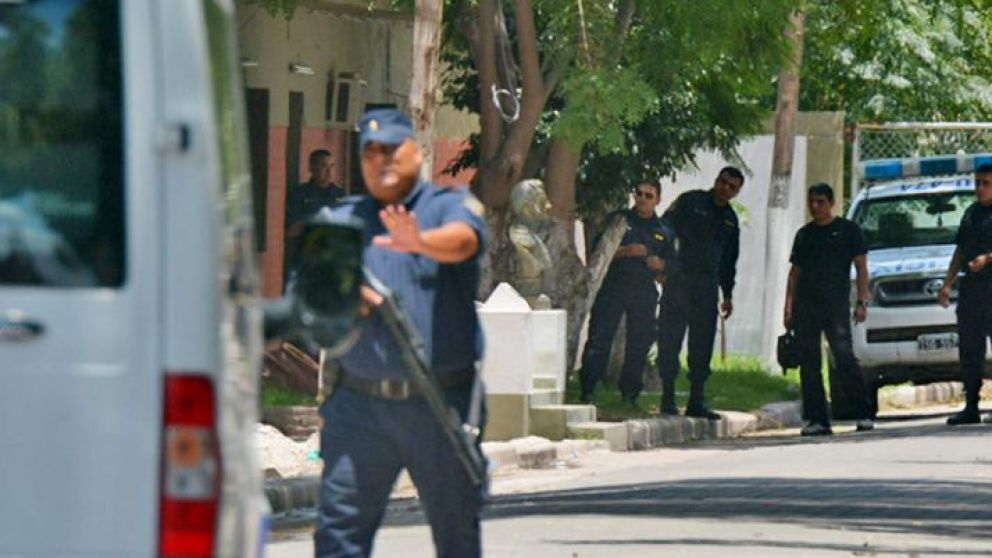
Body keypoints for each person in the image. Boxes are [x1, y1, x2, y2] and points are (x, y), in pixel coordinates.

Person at [313, 109, 488, 557]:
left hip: (438, 402)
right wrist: (340, 298)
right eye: (371, 152)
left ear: (418, 152)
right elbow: (306, 297)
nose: (382, 159)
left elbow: (466, 239)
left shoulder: (445, 205)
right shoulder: (339, 220)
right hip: (359, 407)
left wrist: (421, 242)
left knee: (456, 539)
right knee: (338, 539)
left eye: (392, 149)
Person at [784, 183, 874, 436]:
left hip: (835, 306)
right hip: (806, 307)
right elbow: (795, 273)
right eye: (811, 201)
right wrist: (788, 305)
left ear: (831, 203)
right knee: (810, 363)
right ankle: (818, 419)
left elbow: (861, 268)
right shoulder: (804, 235)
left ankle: (863, 412)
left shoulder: (848, 231)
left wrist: (862, 302)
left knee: (844, 357)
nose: (815, 206)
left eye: (820, 201)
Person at [656, 167, 743, 419]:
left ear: (736, 192)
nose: (726, 189)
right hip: (679, 279)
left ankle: (696, 399)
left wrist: (727, 294)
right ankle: (668, 397)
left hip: (707, 285)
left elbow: (729, 259)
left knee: (702, 342)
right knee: (670, 337)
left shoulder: (730, 219)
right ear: (716, 181)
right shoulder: (690, 201)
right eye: (724, 182)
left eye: (732, 187)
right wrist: (664, 265)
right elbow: (665, 228)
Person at [579, 180, 668, 406]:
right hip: (614, 286)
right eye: (639, 194)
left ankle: (630, 393)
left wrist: (661, 265)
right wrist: (627, 251)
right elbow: (600, 252)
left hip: (643, 290)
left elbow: (672, 264)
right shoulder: (619, 221)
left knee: (639, 342)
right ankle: (588, 389)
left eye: (649, 196)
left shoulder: (662, 229)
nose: (642, 199)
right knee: (600, 338)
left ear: (657, 200)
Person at [938, 162, 992, 425]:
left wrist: (988, 258)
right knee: (970, 348)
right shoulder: (971, 213)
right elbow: (960, 251)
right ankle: (971, 405)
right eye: (977, 183)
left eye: (986, 184)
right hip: (972, 289)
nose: (980, 189)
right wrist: (948, 283)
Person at [284, 149, 345, 280]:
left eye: (332, 166)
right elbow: (292, 229)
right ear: (311, 168)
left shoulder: (340, 195)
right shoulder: (300, 194)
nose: (329, 171)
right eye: (324, 165)